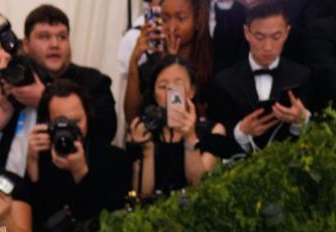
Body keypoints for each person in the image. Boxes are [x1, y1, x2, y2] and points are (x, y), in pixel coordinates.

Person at [0, 4, 117, 175]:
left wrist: (45, 100)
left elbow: (106, 131)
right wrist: (2, 115)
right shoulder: (3, 80)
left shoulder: (92, 81)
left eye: (62, 37)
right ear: (26, 44)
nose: (54, 44)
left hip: (62, 189)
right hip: (5, 188)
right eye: (44, 37)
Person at [25, 80, 130, 232]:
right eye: (61, 122)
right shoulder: (41, 158)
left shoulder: (114, 158)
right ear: (46, 123)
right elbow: (34, 223)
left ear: (88, 117)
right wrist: (32, 164)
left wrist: (81, 173)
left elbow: (112, 218)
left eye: (76, 122)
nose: (69, 129)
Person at [208, 1, 313, 153]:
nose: (267, 47)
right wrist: (241, 131)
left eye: (276, 37)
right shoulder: (224, 82)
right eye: (260, 37)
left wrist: (300, 121)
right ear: (246, 33)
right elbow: (215, 144)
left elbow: (315, 141)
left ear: (287, 33)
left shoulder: (303, 77)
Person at [128, 57, 227, 198]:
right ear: (154, 95)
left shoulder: (212, 130)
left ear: (192, 91)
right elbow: (142, 195)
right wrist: (147, 149)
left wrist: (190, 138)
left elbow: (200, 187)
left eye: (178, 86)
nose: (171, 93)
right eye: (163, 87)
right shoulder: (145, 129)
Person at [123, 0, 214, 122]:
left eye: (181, 18)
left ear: (197, 21)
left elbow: (178, 120)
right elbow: (132, 119)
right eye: (165, 19)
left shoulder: (213, 64)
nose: (172, 27)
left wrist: (174, 67)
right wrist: (134, 61)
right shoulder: (151, 65)